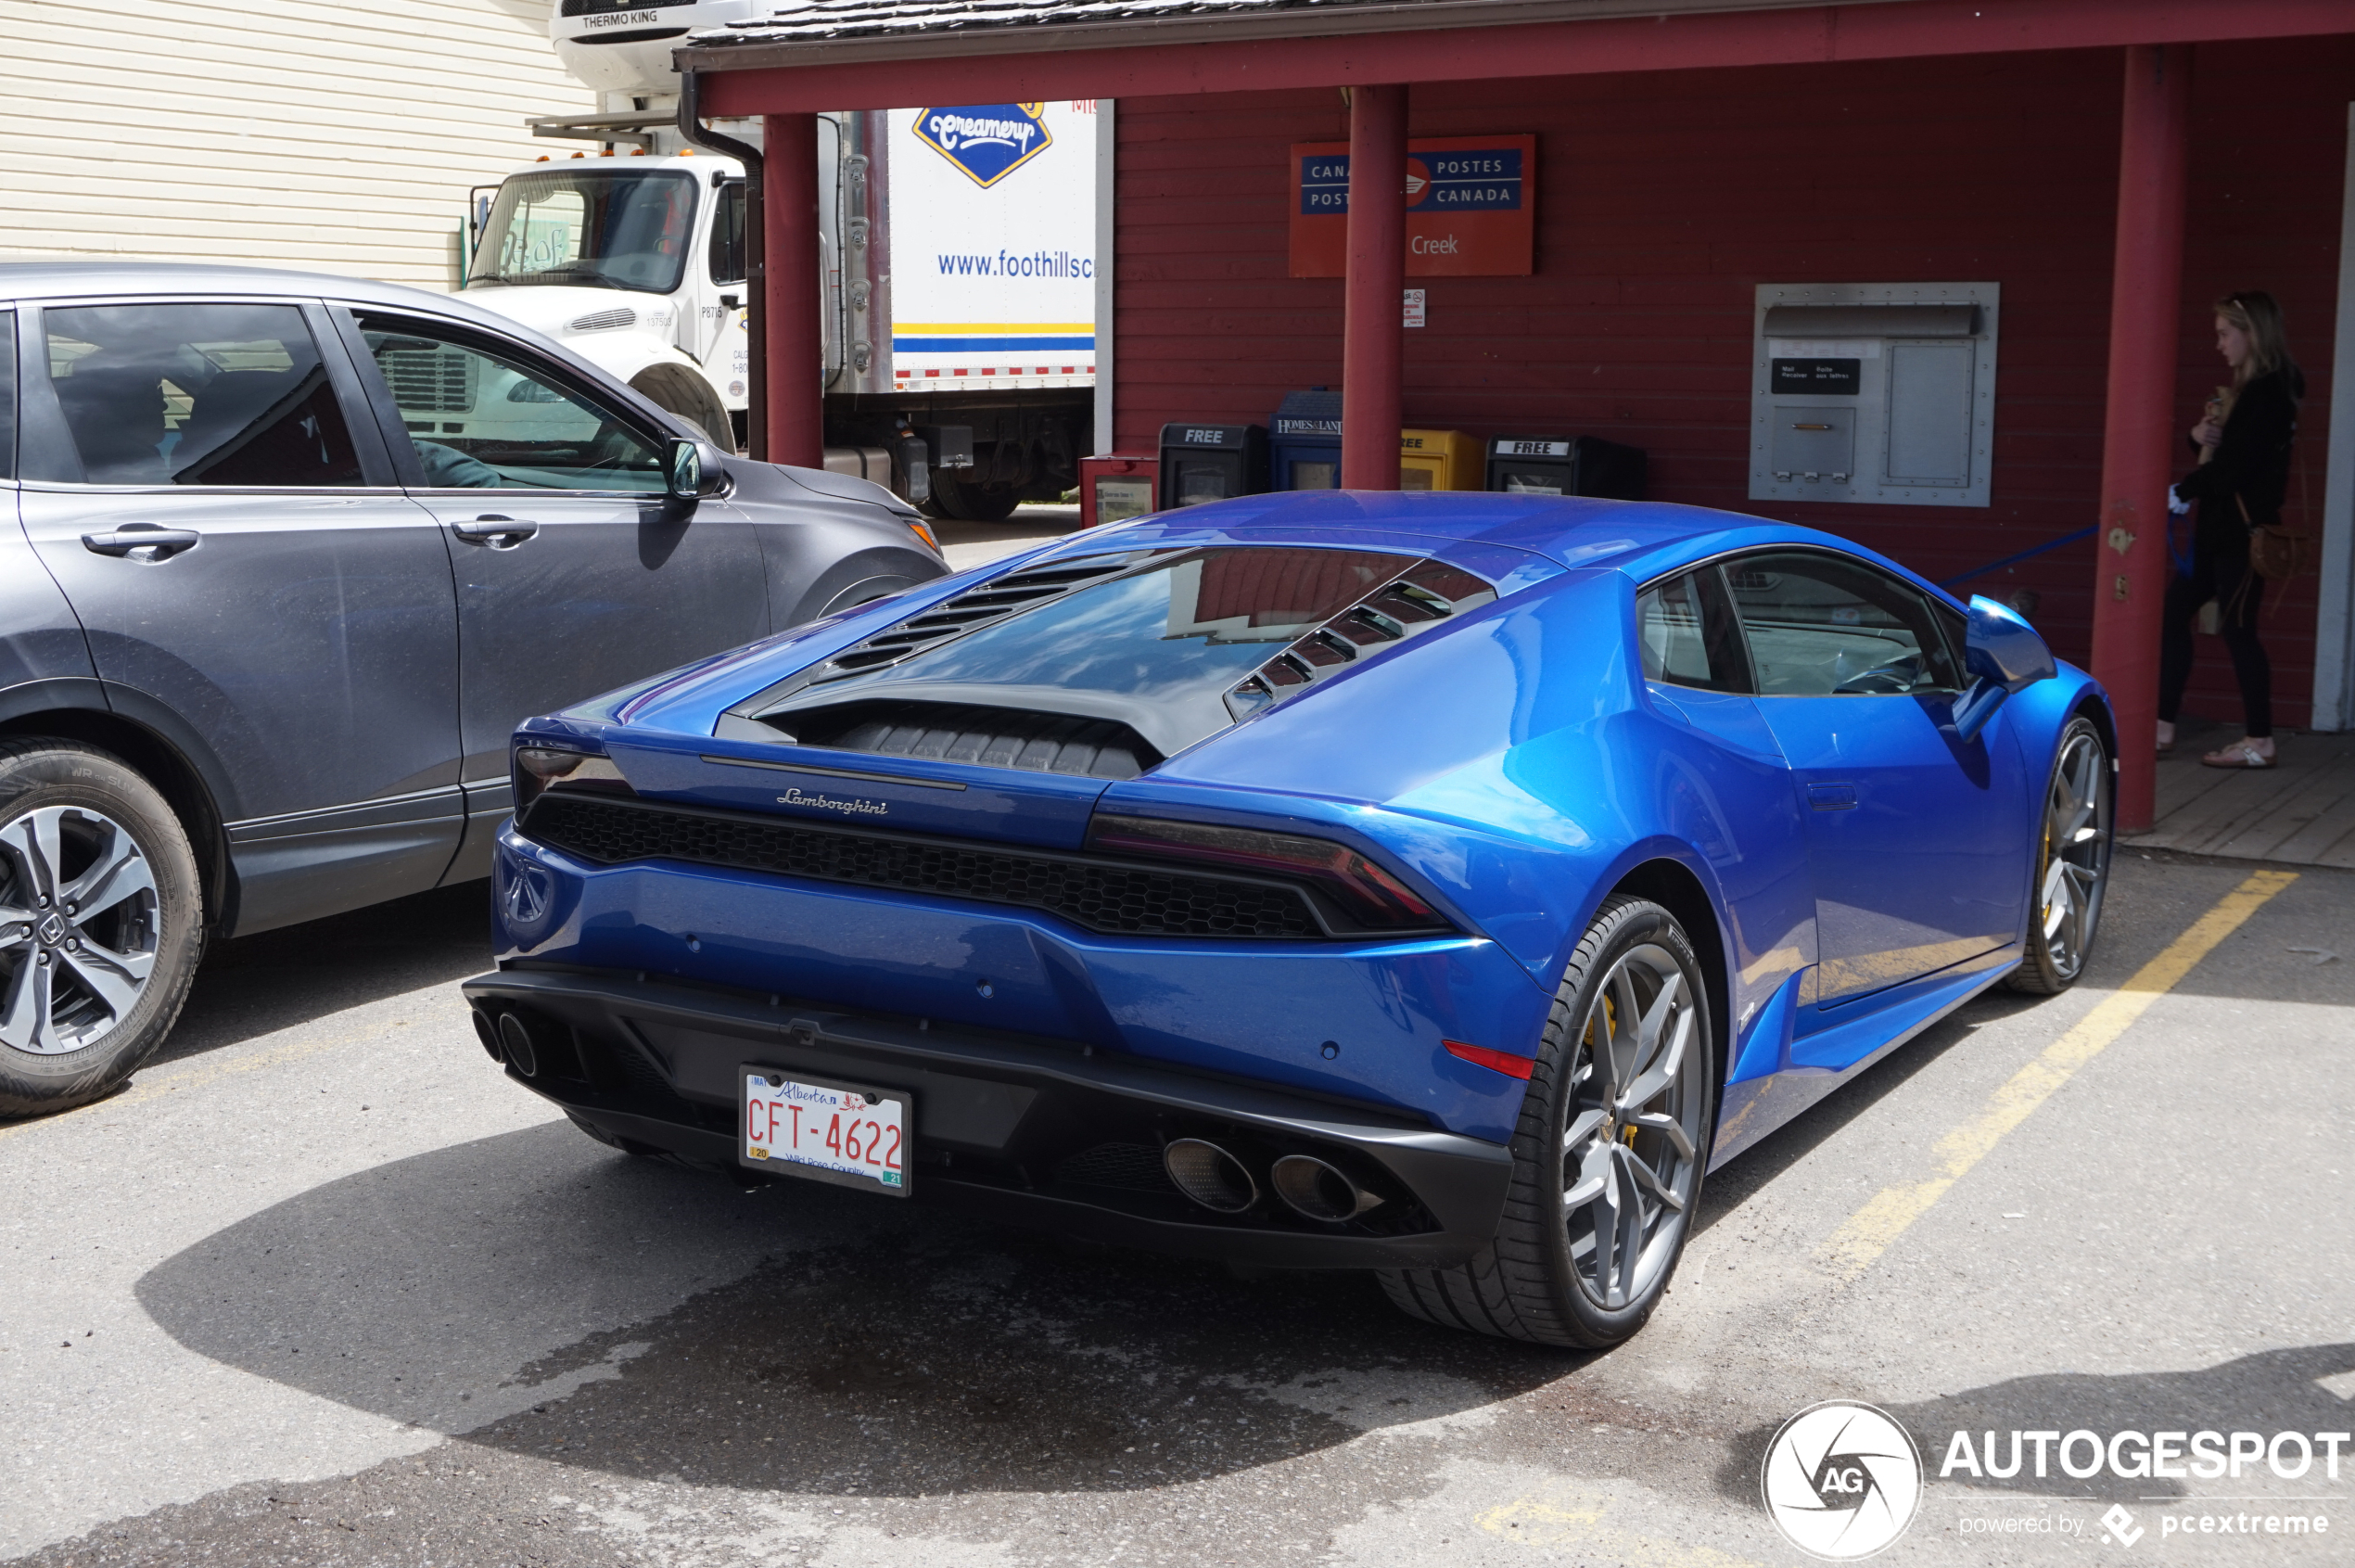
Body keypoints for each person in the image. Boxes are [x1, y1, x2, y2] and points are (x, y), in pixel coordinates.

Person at [2158, 291, 2303, 769]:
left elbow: (2237, 467)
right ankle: (2162, 725)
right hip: (2218, 534)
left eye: (2226, 334)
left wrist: (2186, 488)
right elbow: (2225, 450)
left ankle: (2260, 740)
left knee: (2240, 630)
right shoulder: (2250, 390)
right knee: (2173, 614)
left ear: (2251, 332)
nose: (2220, 344)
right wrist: (2196, 438)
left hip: (2242, 535)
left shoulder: (2269, 393)